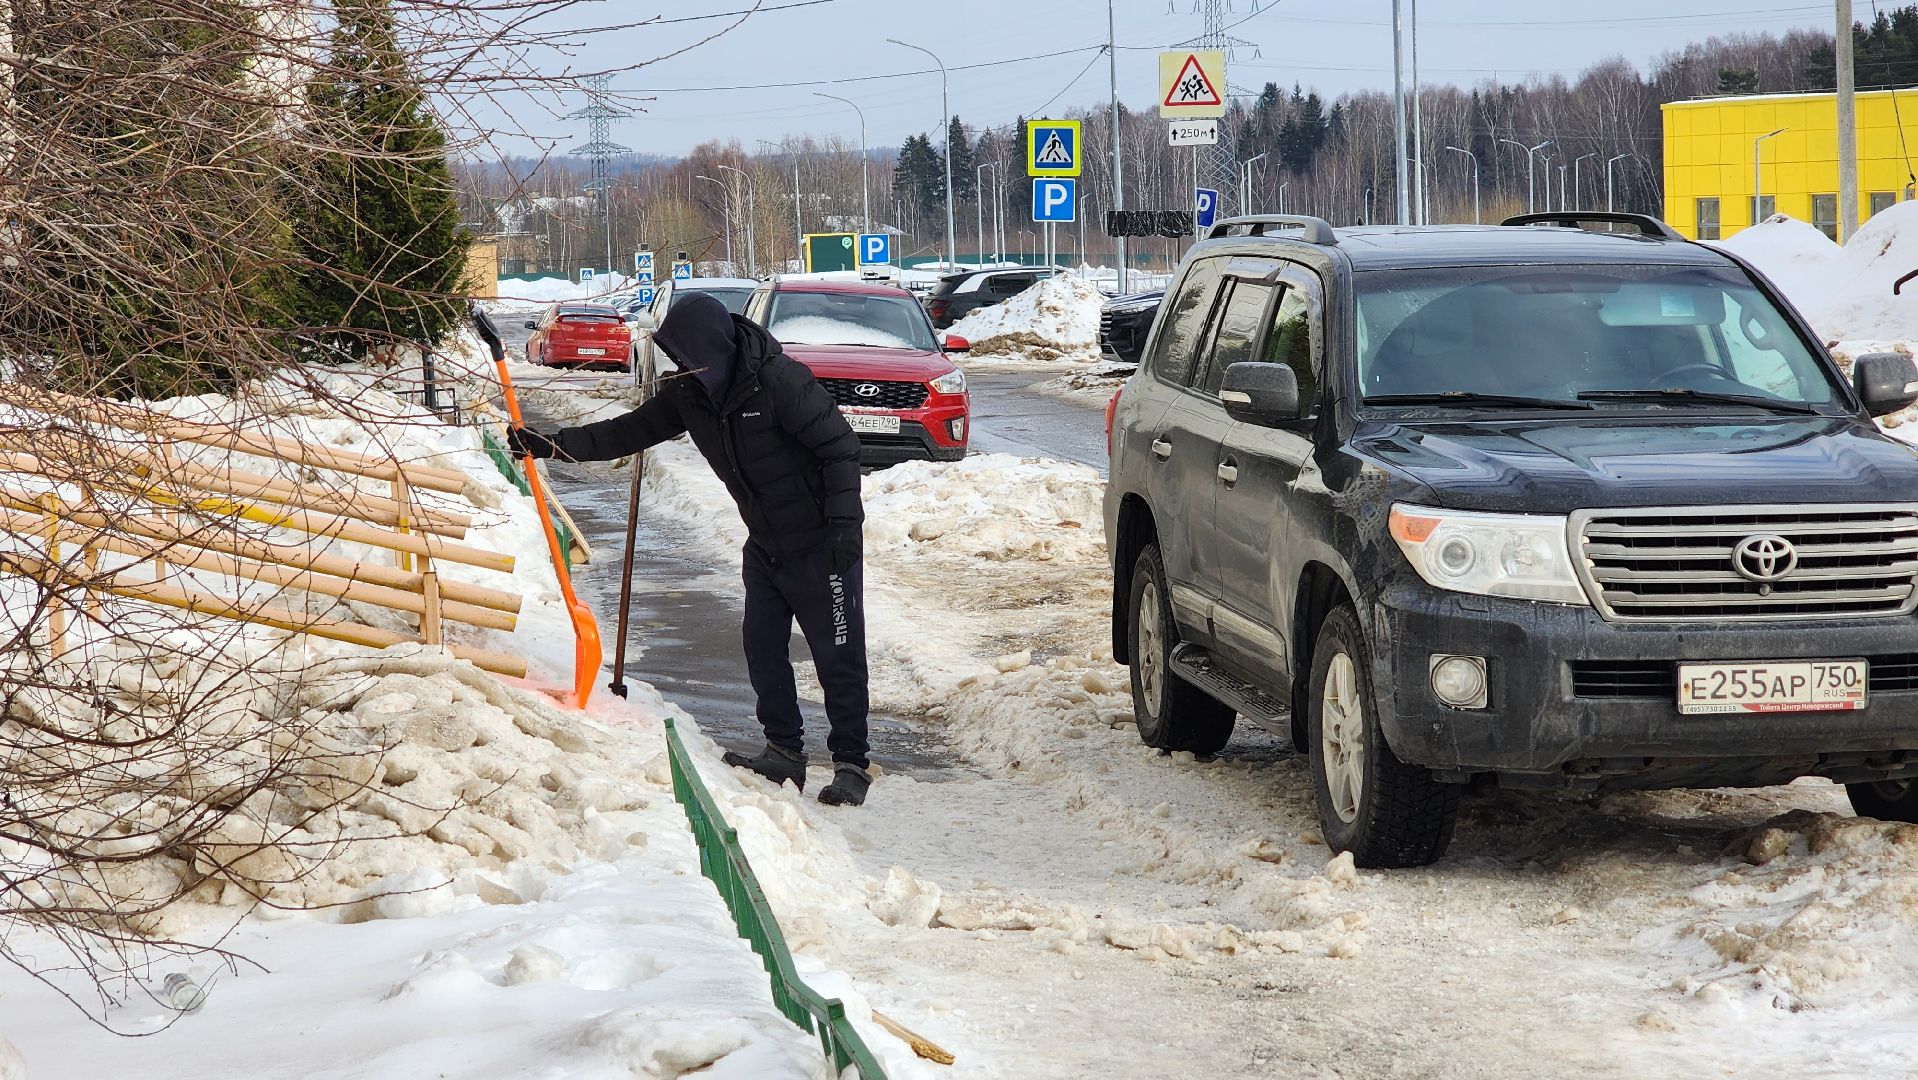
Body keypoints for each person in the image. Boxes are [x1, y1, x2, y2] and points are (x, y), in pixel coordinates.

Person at [509, 292, 874, 806]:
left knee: (837, 656)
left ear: (716, 348)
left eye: (688, 356)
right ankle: (784, 751)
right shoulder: (692, 394)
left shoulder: (778, 381)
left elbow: (841, 447)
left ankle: (851, 763)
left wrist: (842, 529)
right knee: (762, 648)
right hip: (766, 543)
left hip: (822, 545)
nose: (681, 366)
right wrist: (552, 444)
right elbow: (628, 431)